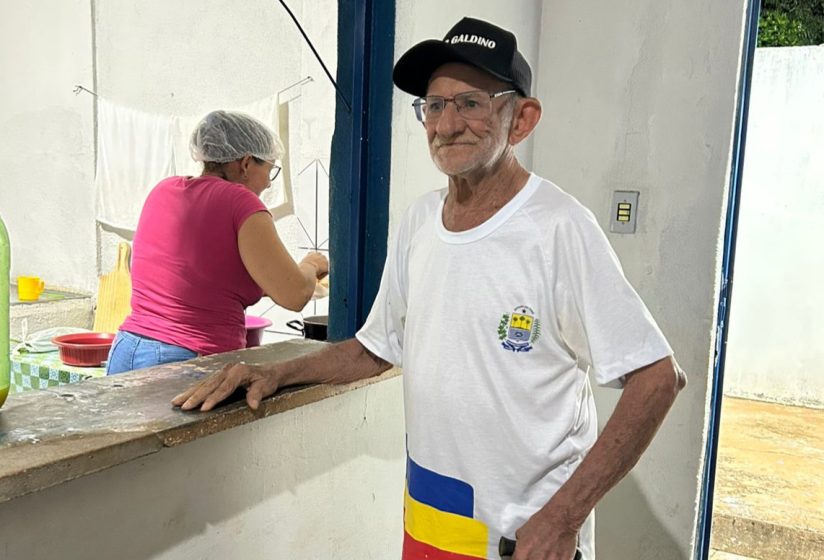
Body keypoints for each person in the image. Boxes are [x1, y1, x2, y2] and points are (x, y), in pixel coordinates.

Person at [172, 17, 686, 560]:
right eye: (434, 106)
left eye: (470, 103)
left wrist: (562, 519)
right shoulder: (420, 221)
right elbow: (374, 348)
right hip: (430, 522)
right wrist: (275, 374)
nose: (447, 124)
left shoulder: (559, 228)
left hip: (523, 542)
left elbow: (657, 378)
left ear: (522, 119)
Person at [106, 110, 328, 374]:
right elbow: (294, 295)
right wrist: (311, 265)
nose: (269, 184)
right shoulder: (241, 202)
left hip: (126, 349)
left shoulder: (163, 190)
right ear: (246, 164)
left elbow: (201, 277)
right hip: (184, 361)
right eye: (269, 170)